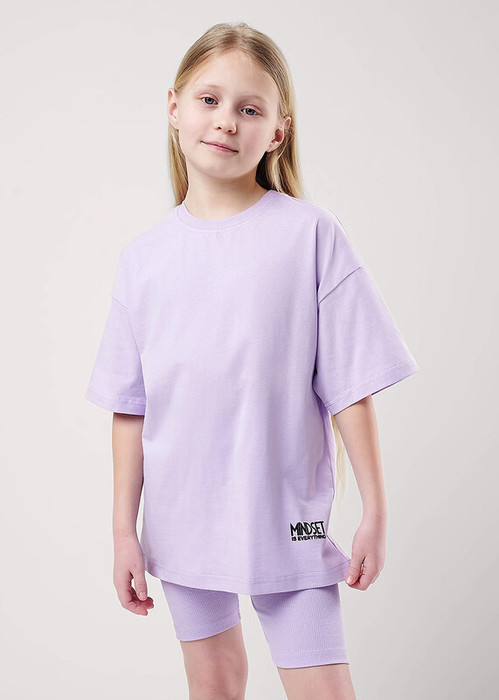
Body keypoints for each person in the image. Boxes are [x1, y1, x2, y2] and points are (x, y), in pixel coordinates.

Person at [85, 21, 419, 700]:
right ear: (173, 106)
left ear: (277, 132)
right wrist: (123, 532)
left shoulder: (309, 234)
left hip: (289, 515)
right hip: (181, 519)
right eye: (209, 100)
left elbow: (350, 385)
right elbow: (130, 407)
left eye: (249, 108)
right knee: (213, 685)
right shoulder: (142, 262)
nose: (225, 121)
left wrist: (375, 510)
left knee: (322, 688)